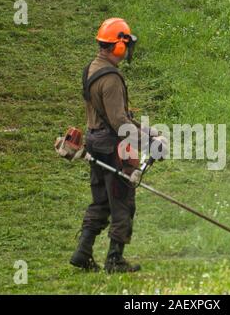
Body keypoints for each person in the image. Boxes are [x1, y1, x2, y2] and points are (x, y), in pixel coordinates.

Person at [70, 18, 165, 273]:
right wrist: (149, 141)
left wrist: (145, 131)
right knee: (122, 201)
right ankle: (114, 260)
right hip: (112, 146)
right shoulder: (111, 79)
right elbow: (119, 121)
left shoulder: (91, 68)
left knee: (101, 200)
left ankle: (82, 252)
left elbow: (112, 117)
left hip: (94, 140)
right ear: (118, 46)